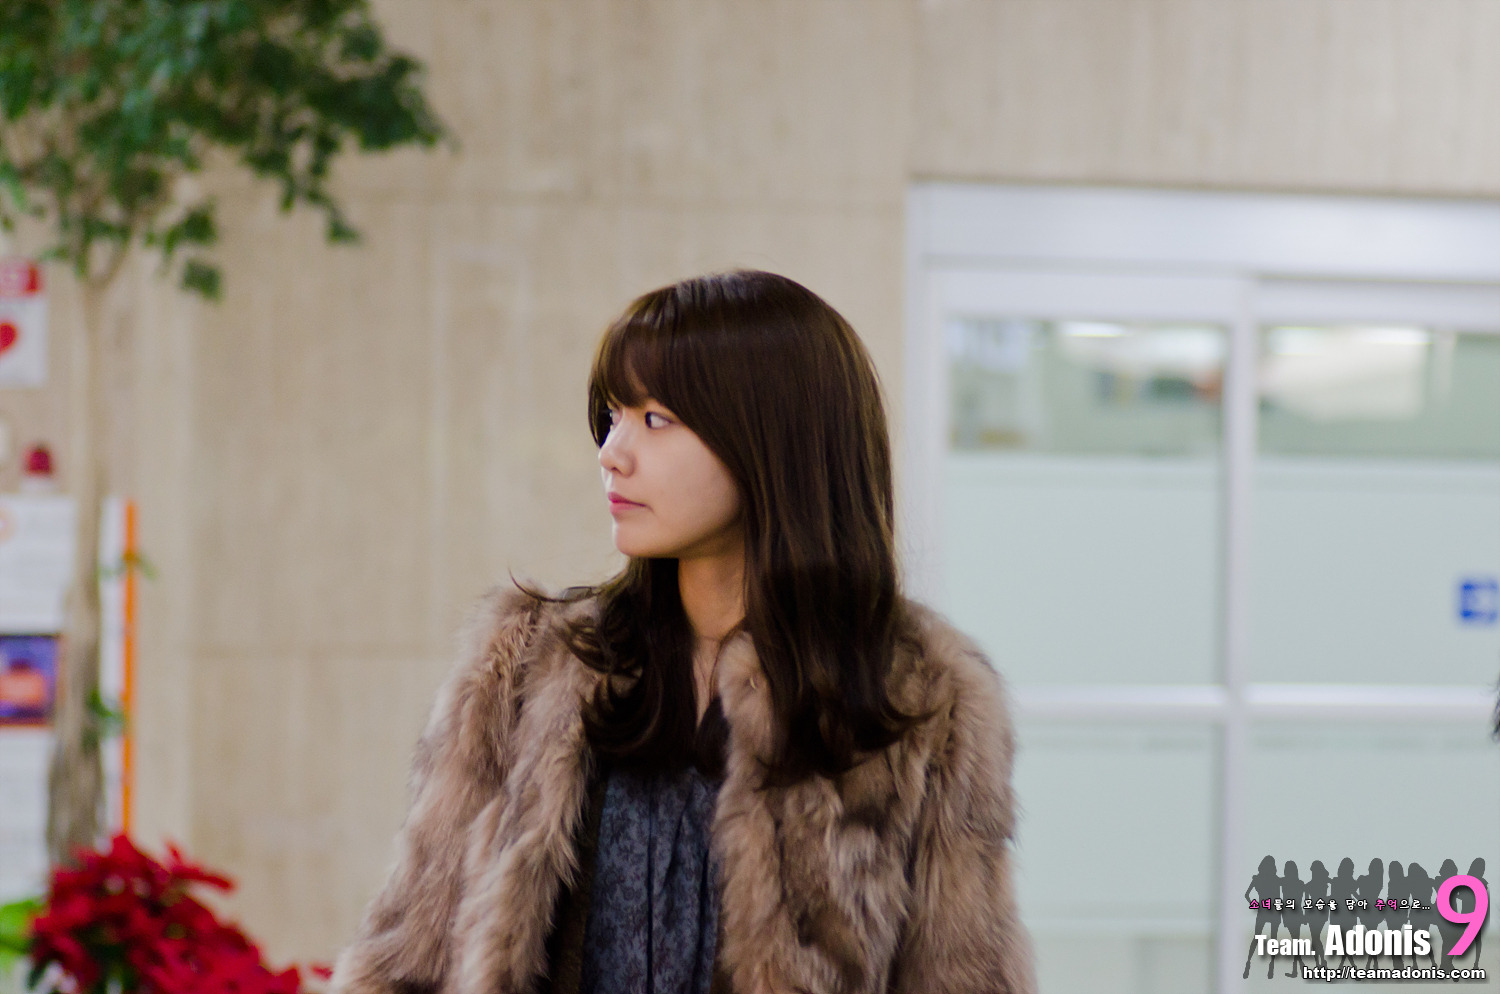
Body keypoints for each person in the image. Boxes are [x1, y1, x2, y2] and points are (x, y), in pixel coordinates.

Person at [328, 270, 1036, 994]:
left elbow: (964, 977)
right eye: (612, 415)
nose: (612, 451)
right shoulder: (526, 668)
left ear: (774, 439)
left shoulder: (919, 700)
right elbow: (404, 962)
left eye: (655, 419)